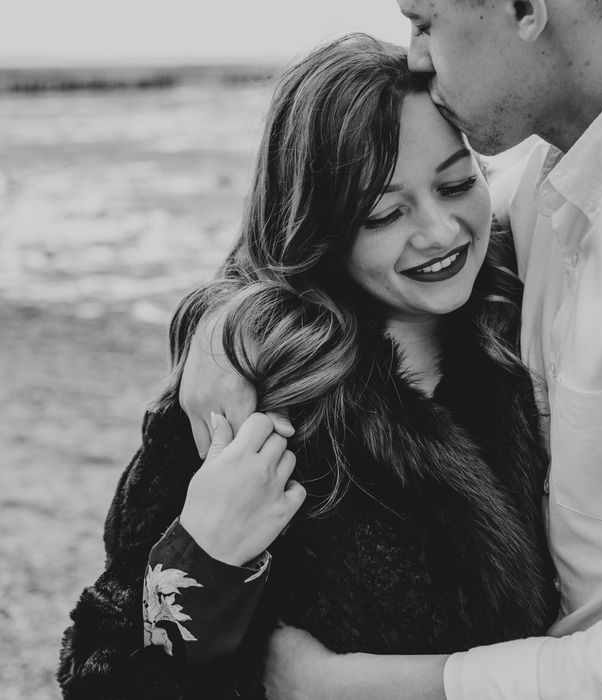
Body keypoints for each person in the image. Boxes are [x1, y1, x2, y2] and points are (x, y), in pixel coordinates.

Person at [181, 1, 602, 698]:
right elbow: (343, 232)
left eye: (425, 18)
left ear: (525, 9)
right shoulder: (561, 185)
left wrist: (333, 687)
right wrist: (225, 324)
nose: (418, 55)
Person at [57, 34, 558, 699]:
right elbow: (101, 678)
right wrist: (201, 561)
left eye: (456, 182)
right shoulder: (251, 400)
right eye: (385, 212)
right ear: (321, 225)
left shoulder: (532, 317)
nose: (440, 232)